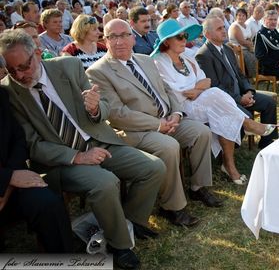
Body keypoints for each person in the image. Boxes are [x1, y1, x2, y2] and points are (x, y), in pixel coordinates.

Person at [0, 30, 166, 269]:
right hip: (61, 160)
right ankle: (120, 246)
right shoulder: (8, 91)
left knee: (153, 167)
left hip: (99, 141)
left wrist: (96, 109)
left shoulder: (68, 66)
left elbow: (104, 108)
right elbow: (32, 145)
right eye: (11, 69)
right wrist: (77, 156)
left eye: (24, 67)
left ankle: (130, 223)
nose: (19, 75)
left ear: (37, 54)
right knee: (105, 183)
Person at [86, 19, 223, 228]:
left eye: (124, 35)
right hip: (135, 130)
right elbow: (117, 114)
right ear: (105, 40)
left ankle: (198, 187)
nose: (119, 41)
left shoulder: (145, 59)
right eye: (113, 36)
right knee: (169, 146)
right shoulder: (98, 71)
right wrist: (158, 124)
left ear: (133, 38)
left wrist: (176, 113)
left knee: (201, 132)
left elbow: (167, 90)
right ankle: (172, 207)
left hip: (168, 119)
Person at [151, 20, 275, 184]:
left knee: (221, 110)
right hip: (181, 108)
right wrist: (197, 88)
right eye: (179, 37)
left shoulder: (187, 57)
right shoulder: (159, 63)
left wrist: (196, 90)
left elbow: (207, 81)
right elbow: (177, 92)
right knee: (216, 97)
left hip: (204, 101)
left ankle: (229, 165)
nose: (184, 40)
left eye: (185, 36)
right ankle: (247, 125)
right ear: (167, 41)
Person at [0, 83, 73, 253]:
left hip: (11, 179)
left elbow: (17, 139)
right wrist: (5, 178)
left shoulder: (1, 95)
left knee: (48, 203)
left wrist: (10, 180)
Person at [196, 17, 278, 149]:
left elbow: (240, 75)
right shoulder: (203, 55)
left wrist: (249, 91)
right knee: (247, 115)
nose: (224, 31)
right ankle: (232, 147)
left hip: (240, 93)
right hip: (224, 101)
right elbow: (215, 87)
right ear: (207, 34)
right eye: (219, 29)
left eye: (224, 27)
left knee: (269, 103)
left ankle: (267, 143)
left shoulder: (227, 49)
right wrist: (240, 100)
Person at [228, 8, 256, 77]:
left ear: (246, 17)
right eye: (239, 15)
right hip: (238, 49)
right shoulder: (235, 26)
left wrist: (251, 45)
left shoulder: (246, 25)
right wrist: (251, 45)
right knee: (251, 56)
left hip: (247, 46)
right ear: (236, 16)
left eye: (243, 15)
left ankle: (259, 73)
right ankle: (252, 75)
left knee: (259, 53)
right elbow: (241, 41)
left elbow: (249, 37)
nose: (241, 17)